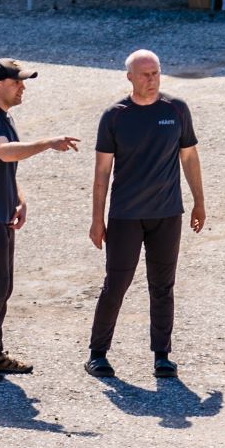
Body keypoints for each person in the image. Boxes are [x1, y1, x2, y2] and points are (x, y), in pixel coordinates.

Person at [0, 60, 77, 385]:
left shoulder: (2, 117)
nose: (22, 87)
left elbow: (4, 163)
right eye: (17, 82)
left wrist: (18, 196)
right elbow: (5, 153)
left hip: (1, 211)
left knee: (2, 286)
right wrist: (48, 143)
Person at [87, 50, 205, 381]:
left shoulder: (176, 109)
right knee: (117, 283)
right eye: (144, 74)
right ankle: (97, 354)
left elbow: (189, 157)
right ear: (129, 77)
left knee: (163, 285)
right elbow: (102, 172)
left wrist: (199, 201)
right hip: (125, 215)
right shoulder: (115, 116)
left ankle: (162, 355)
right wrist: (98, 219)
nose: (151, 80)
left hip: (168, 214)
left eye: (155, 73)